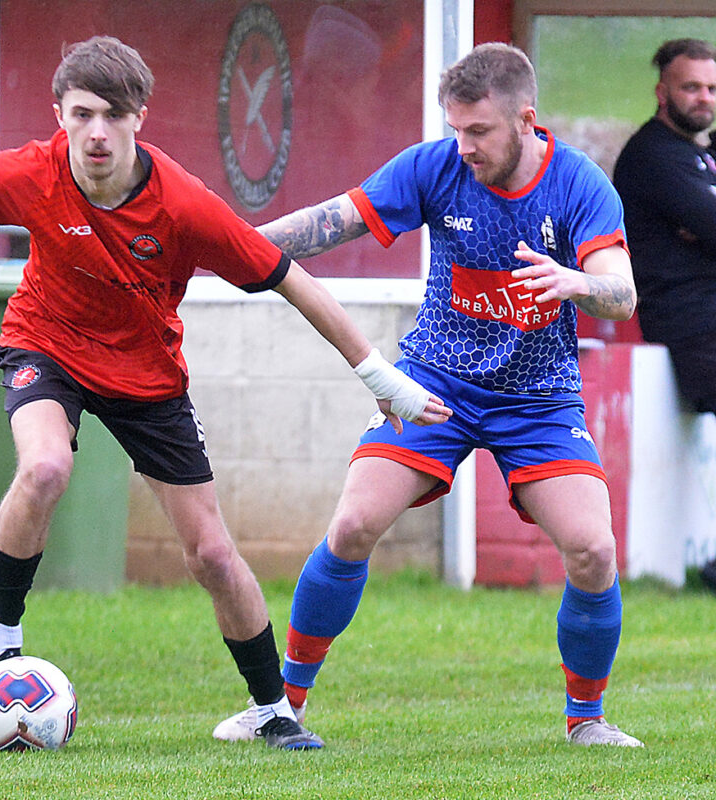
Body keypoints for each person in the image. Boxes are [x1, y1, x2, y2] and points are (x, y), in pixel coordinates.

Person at [0, 36, 451, 749]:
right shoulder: (30, 173)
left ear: (139, 117)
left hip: (148, 376)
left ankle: (273, 708)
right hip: (45, 345)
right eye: (81, 114)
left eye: (113, 115)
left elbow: (290, 280)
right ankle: (0, 643)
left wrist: (379, 376)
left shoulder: (183, 204)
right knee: (46, 467)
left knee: (209, 552)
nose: (96, 132)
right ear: (60, 114)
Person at [213, 42, 644, 748]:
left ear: (527, 120)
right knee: (352, 524)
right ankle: (280, 705)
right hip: (434, 383)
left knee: (594, 549)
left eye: (479, 131)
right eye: (455, 129)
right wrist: (236, 245)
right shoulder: (435, 167)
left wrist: (578, 283)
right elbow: (336, 218)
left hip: (538, 399)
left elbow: (622, 293)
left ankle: (586, 720)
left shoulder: (579, 184)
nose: (463, 145)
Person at [613, 39, 716, 414]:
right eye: (690, 87)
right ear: (662, 92)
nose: (703, 98)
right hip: (694, 331)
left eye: (712, 89)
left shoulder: (696, 154)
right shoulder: (654, 154)